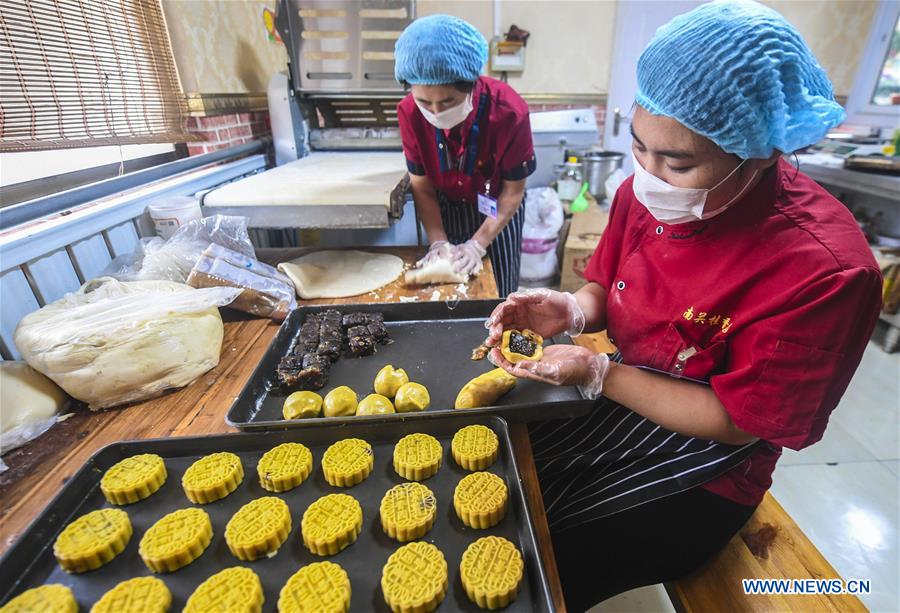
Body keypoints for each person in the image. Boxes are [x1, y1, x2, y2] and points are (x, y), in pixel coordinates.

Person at [484, 1, 883, 609]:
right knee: (504, 474)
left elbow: (739, 422)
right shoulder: (644, 193)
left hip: (711, 465)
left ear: (759, 153)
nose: (648, 175)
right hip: (627, 391)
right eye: (639, 147)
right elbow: (605, 287)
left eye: (678, 162)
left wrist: (598, 372)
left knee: (538, 554)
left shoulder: (824, 270)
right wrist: (570, 310)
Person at [394, 15, 536, 296]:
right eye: (424, 102)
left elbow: (513, 192)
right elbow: (422, 186)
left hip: (497, 207)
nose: (436, 112)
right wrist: (438, 241)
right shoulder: (409, 112)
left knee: (497, 293)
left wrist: (477, 244)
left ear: (471, 85)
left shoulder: (509, 112)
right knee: (449, 293)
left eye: (448, 101)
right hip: (445, 206)